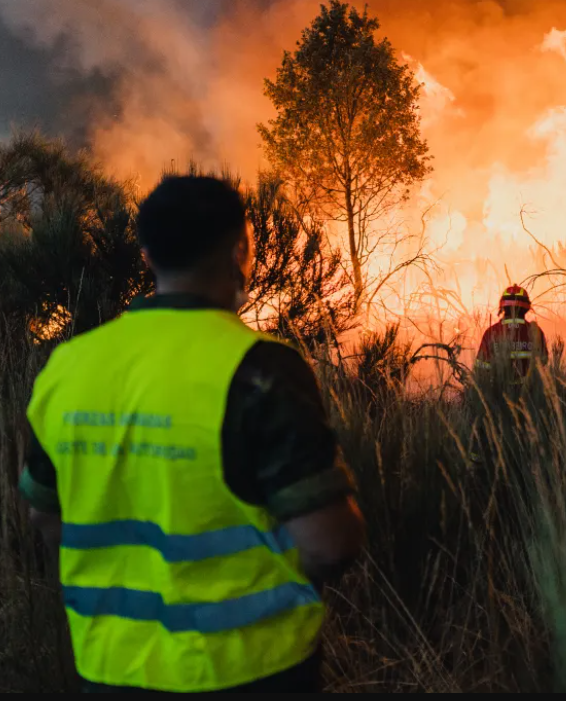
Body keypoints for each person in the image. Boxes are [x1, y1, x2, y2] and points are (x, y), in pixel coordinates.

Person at [18, 175, 365, 693]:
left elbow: (45, 514)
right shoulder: (261, 369)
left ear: (147, 255)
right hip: (249, 669)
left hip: (112, 667)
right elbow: (328, 543)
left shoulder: (69, 366)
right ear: (241, 251)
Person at [475, 284, 548, 379]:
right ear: (526, 308)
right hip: (530, 391)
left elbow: (481, 367)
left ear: (503, 307)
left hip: (498, 391)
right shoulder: (535, 332)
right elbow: (543, 361)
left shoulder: (492, 332)